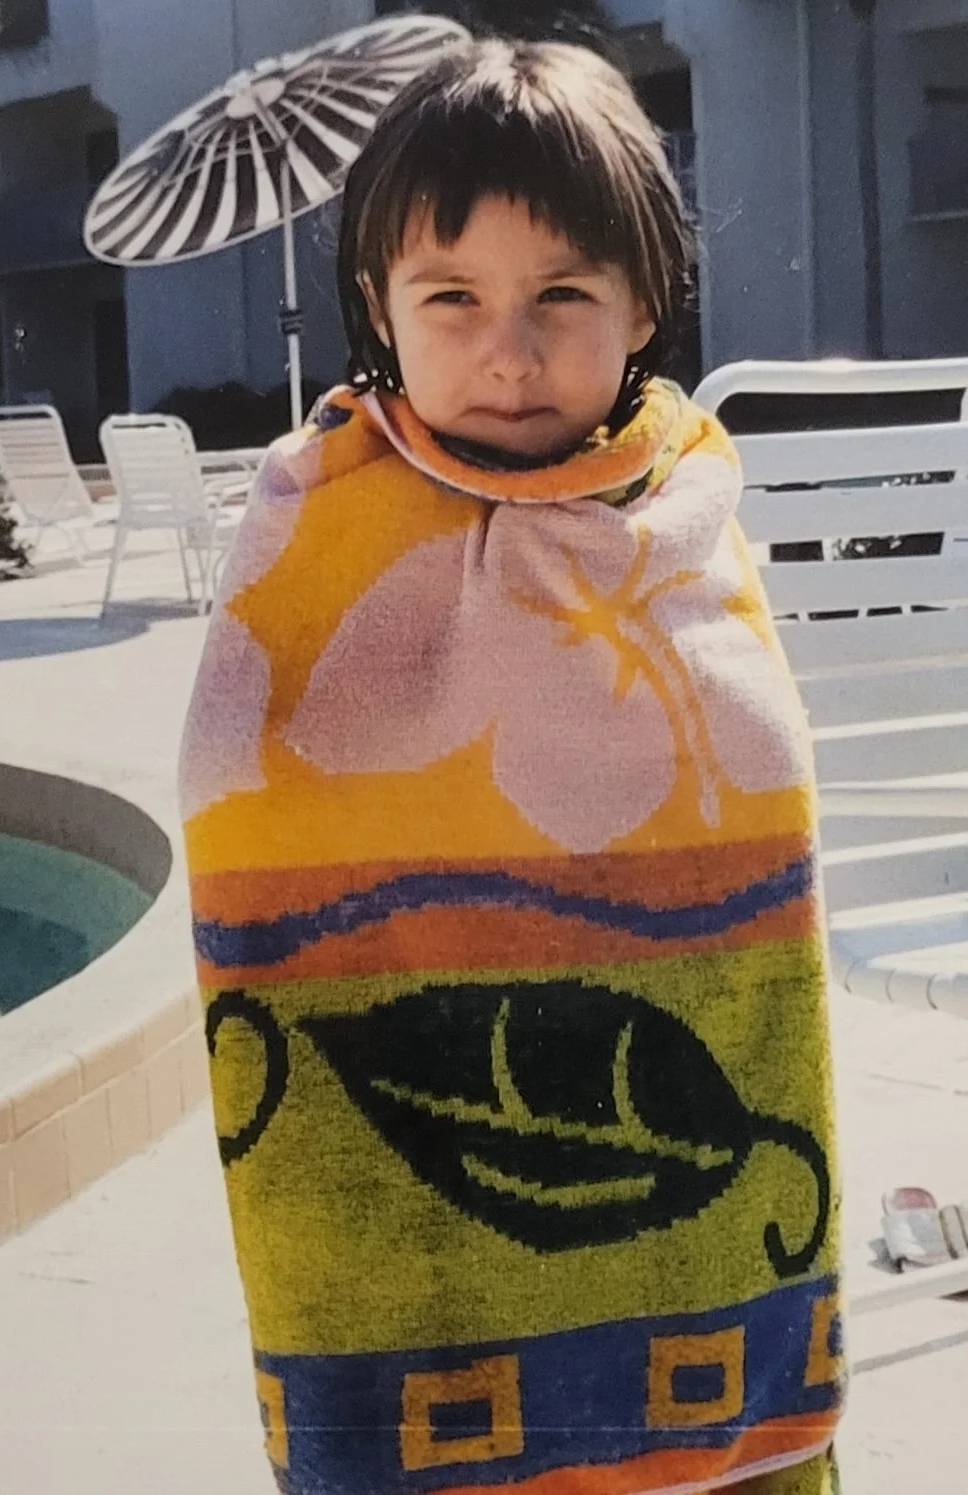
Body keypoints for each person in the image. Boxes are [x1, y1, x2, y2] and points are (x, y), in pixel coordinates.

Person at [178, 37, 844, 1495]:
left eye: (562, 295)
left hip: (681, 1175)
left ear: (644, 298)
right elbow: (251, 774)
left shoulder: (679, 505)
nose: (510, 348)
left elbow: (748, 783)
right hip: (407, 1218)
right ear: (379, 309)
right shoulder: (322, 514)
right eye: (453, 298)